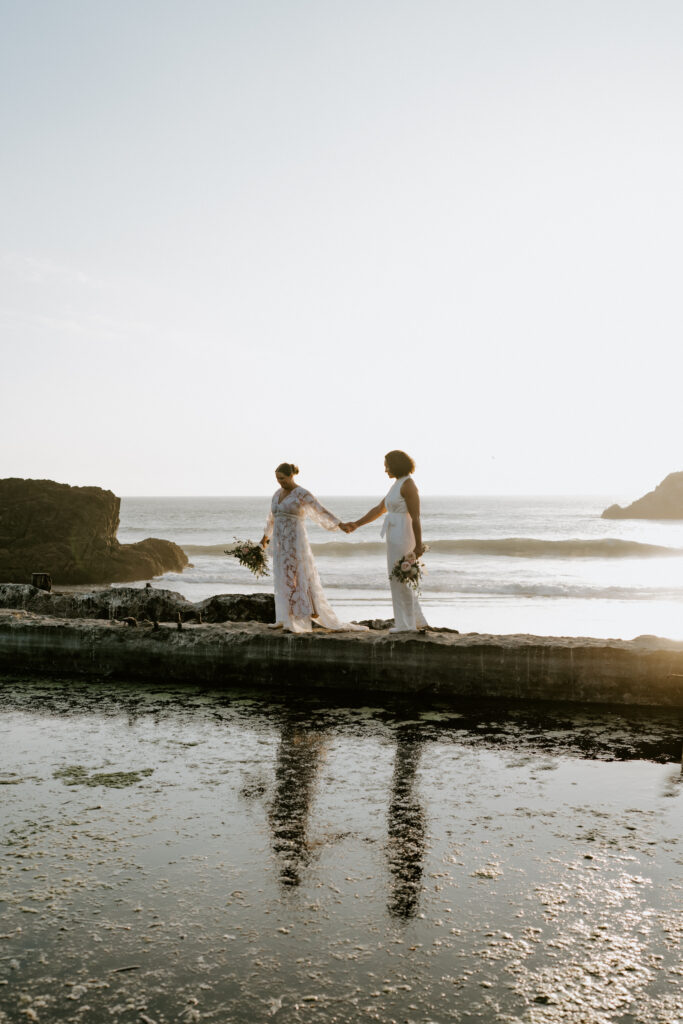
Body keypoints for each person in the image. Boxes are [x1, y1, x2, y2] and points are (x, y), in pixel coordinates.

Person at [260, 462, 367, 634]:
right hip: (280, 543)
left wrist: (339, 524)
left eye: (283, 478)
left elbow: (320, 510)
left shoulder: (301, 493)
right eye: (277, 479)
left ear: (291, 476)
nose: (280, 482)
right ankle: (282, 618)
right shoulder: (277, 493)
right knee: (281, 577)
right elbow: (271, 517)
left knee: (297, 577)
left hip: (296, 541)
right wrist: (265, 536)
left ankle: (297, 621)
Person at [341, 450, 429, 633]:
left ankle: (407, 626)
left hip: (404, 535)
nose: (385, 470)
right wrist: (356, 524)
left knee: (402, 577)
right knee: (396, 578)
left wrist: (419, 546)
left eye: (386, 466)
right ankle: (410, 622)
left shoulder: (409, 485)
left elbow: (416, 518)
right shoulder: (396, 484)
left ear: (396, 465)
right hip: (394, 536)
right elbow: (379, 509)